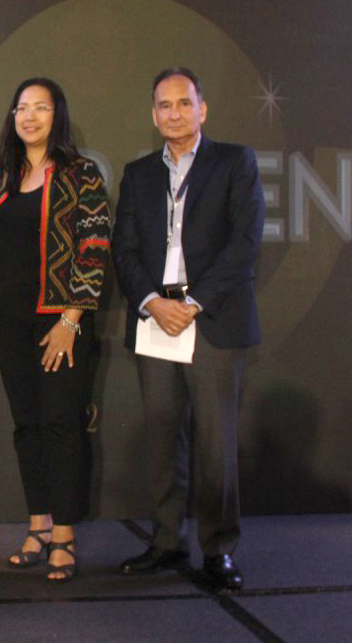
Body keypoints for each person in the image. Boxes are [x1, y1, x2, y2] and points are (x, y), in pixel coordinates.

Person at [112, 68, 265, 591]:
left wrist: (192, 303)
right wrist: (154, 301)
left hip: (212, 318)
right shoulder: (137, 175)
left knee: (216, 444)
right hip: (156, 318)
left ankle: (218, 549)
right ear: (153, 113)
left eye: (184, 103)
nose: (173, 113)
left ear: (203, 109)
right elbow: (124, 250)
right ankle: (166, 542)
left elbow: (245, 243)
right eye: (163, 105)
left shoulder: (235, 162)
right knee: (161, 439)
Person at [0, 78, 111, 582]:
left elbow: (94, 248)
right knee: (26, 423)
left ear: (57, 115)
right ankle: (39, 525)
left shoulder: (81, 173)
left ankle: (65, 533)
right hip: (8, 320)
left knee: (61, 423)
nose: (29, 116)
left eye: (40, 108)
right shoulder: (0, 176)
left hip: (59, 321)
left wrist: (72, 318)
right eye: (21, 108)